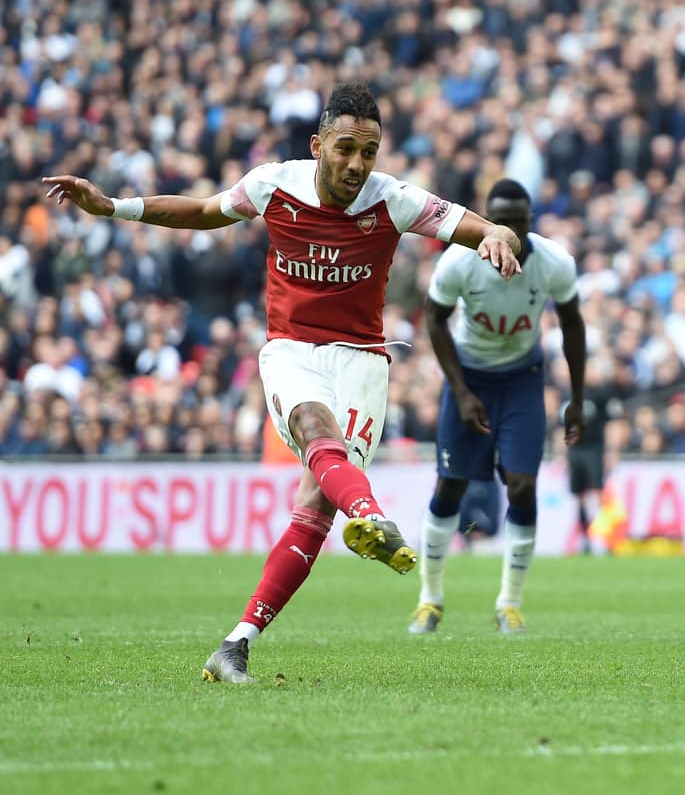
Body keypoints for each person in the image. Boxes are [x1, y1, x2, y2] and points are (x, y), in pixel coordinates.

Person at [43, 82, 522, 683]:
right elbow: (200, 212)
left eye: (368, 152)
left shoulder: (394, 200)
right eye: (345, 149)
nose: (356, 164)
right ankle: (371, 516)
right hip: (292, 349)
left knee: (316, 505)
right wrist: (113, 206)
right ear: (318, 144)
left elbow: (472, 227)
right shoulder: (275, 184)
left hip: (364, 361)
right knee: (316, 431)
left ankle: (236, 643)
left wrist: (499, 235)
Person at [408, 178, 585, 635]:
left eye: (518, 220)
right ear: (486, 219)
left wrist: (577, 399)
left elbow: (572, 324)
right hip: (470, 377)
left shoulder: (554, 263)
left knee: (522, 485)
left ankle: (509, 603)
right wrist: (462, 392)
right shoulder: (459, 262)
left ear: (530, 222)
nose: (508, 228)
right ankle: (429, 599)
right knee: (452, 485)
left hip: (522, 379)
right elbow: (433, 319)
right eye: (499, 219)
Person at [567, 357, 618, 555]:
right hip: (575, 450)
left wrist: (611, 451)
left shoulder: (603, 393)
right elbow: (561, 425)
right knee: (578, 494)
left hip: (595, 448)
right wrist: (563, 453)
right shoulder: (571, 393)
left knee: (599, 494)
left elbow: (612, 423)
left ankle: (605, 539)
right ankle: (585, 538)